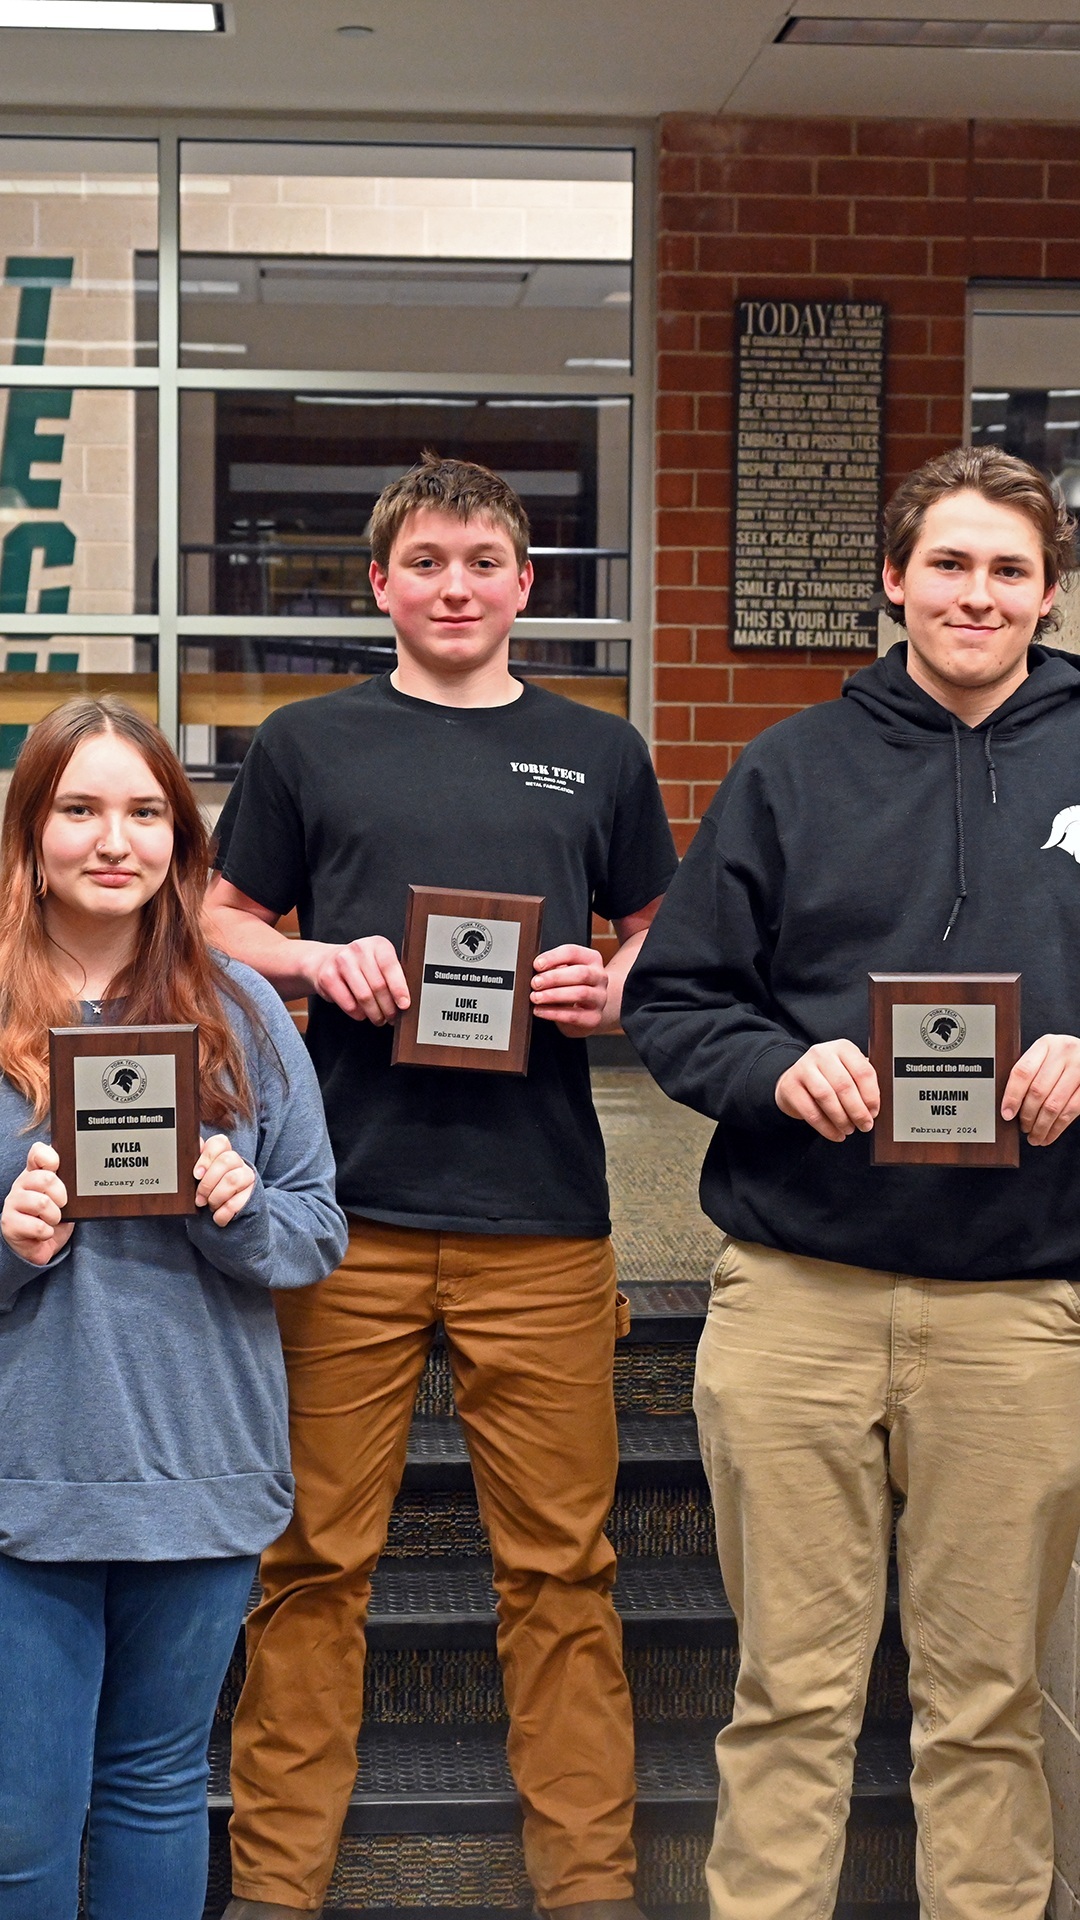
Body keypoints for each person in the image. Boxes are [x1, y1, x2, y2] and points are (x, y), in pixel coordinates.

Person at [204, 454, 677, 1920]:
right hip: (337, 1214)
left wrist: (617, 983)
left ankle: (587, 1892)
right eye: (428, 562)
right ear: (382, 585)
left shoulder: (600, 754)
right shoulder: (306, 744)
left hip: (541, 1220)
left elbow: (661, 917)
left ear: (528, 584)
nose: (457, 585)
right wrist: (307, 959)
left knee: (562, 1576)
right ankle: (278, 1892)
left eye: (484, 560)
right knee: (310, 1569)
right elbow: (217, 919)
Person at [622, 445, 1080, 1920]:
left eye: (1009, 569)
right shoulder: (790, 768)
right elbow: (680, 1001)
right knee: (790, 1698)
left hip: (1021, 1306)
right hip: (798, 1295)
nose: (977, 594)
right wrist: (777, 1071)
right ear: (893, 581)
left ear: (1050, 594)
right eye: (948, 564)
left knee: (987, 1701)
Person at [0, 697, 347, 1920]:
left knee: (155, 1790)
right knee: (19, 1819)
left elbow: (318, 1231)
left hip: (198, 1471)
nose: (115, 840)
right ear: (30, 831)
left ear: (182, 840)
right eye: (80, 809)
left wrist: (242, 1208)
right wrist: (10, 1244)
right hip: (25, 1481)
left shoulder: (244, 1014)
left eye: (146, 811)